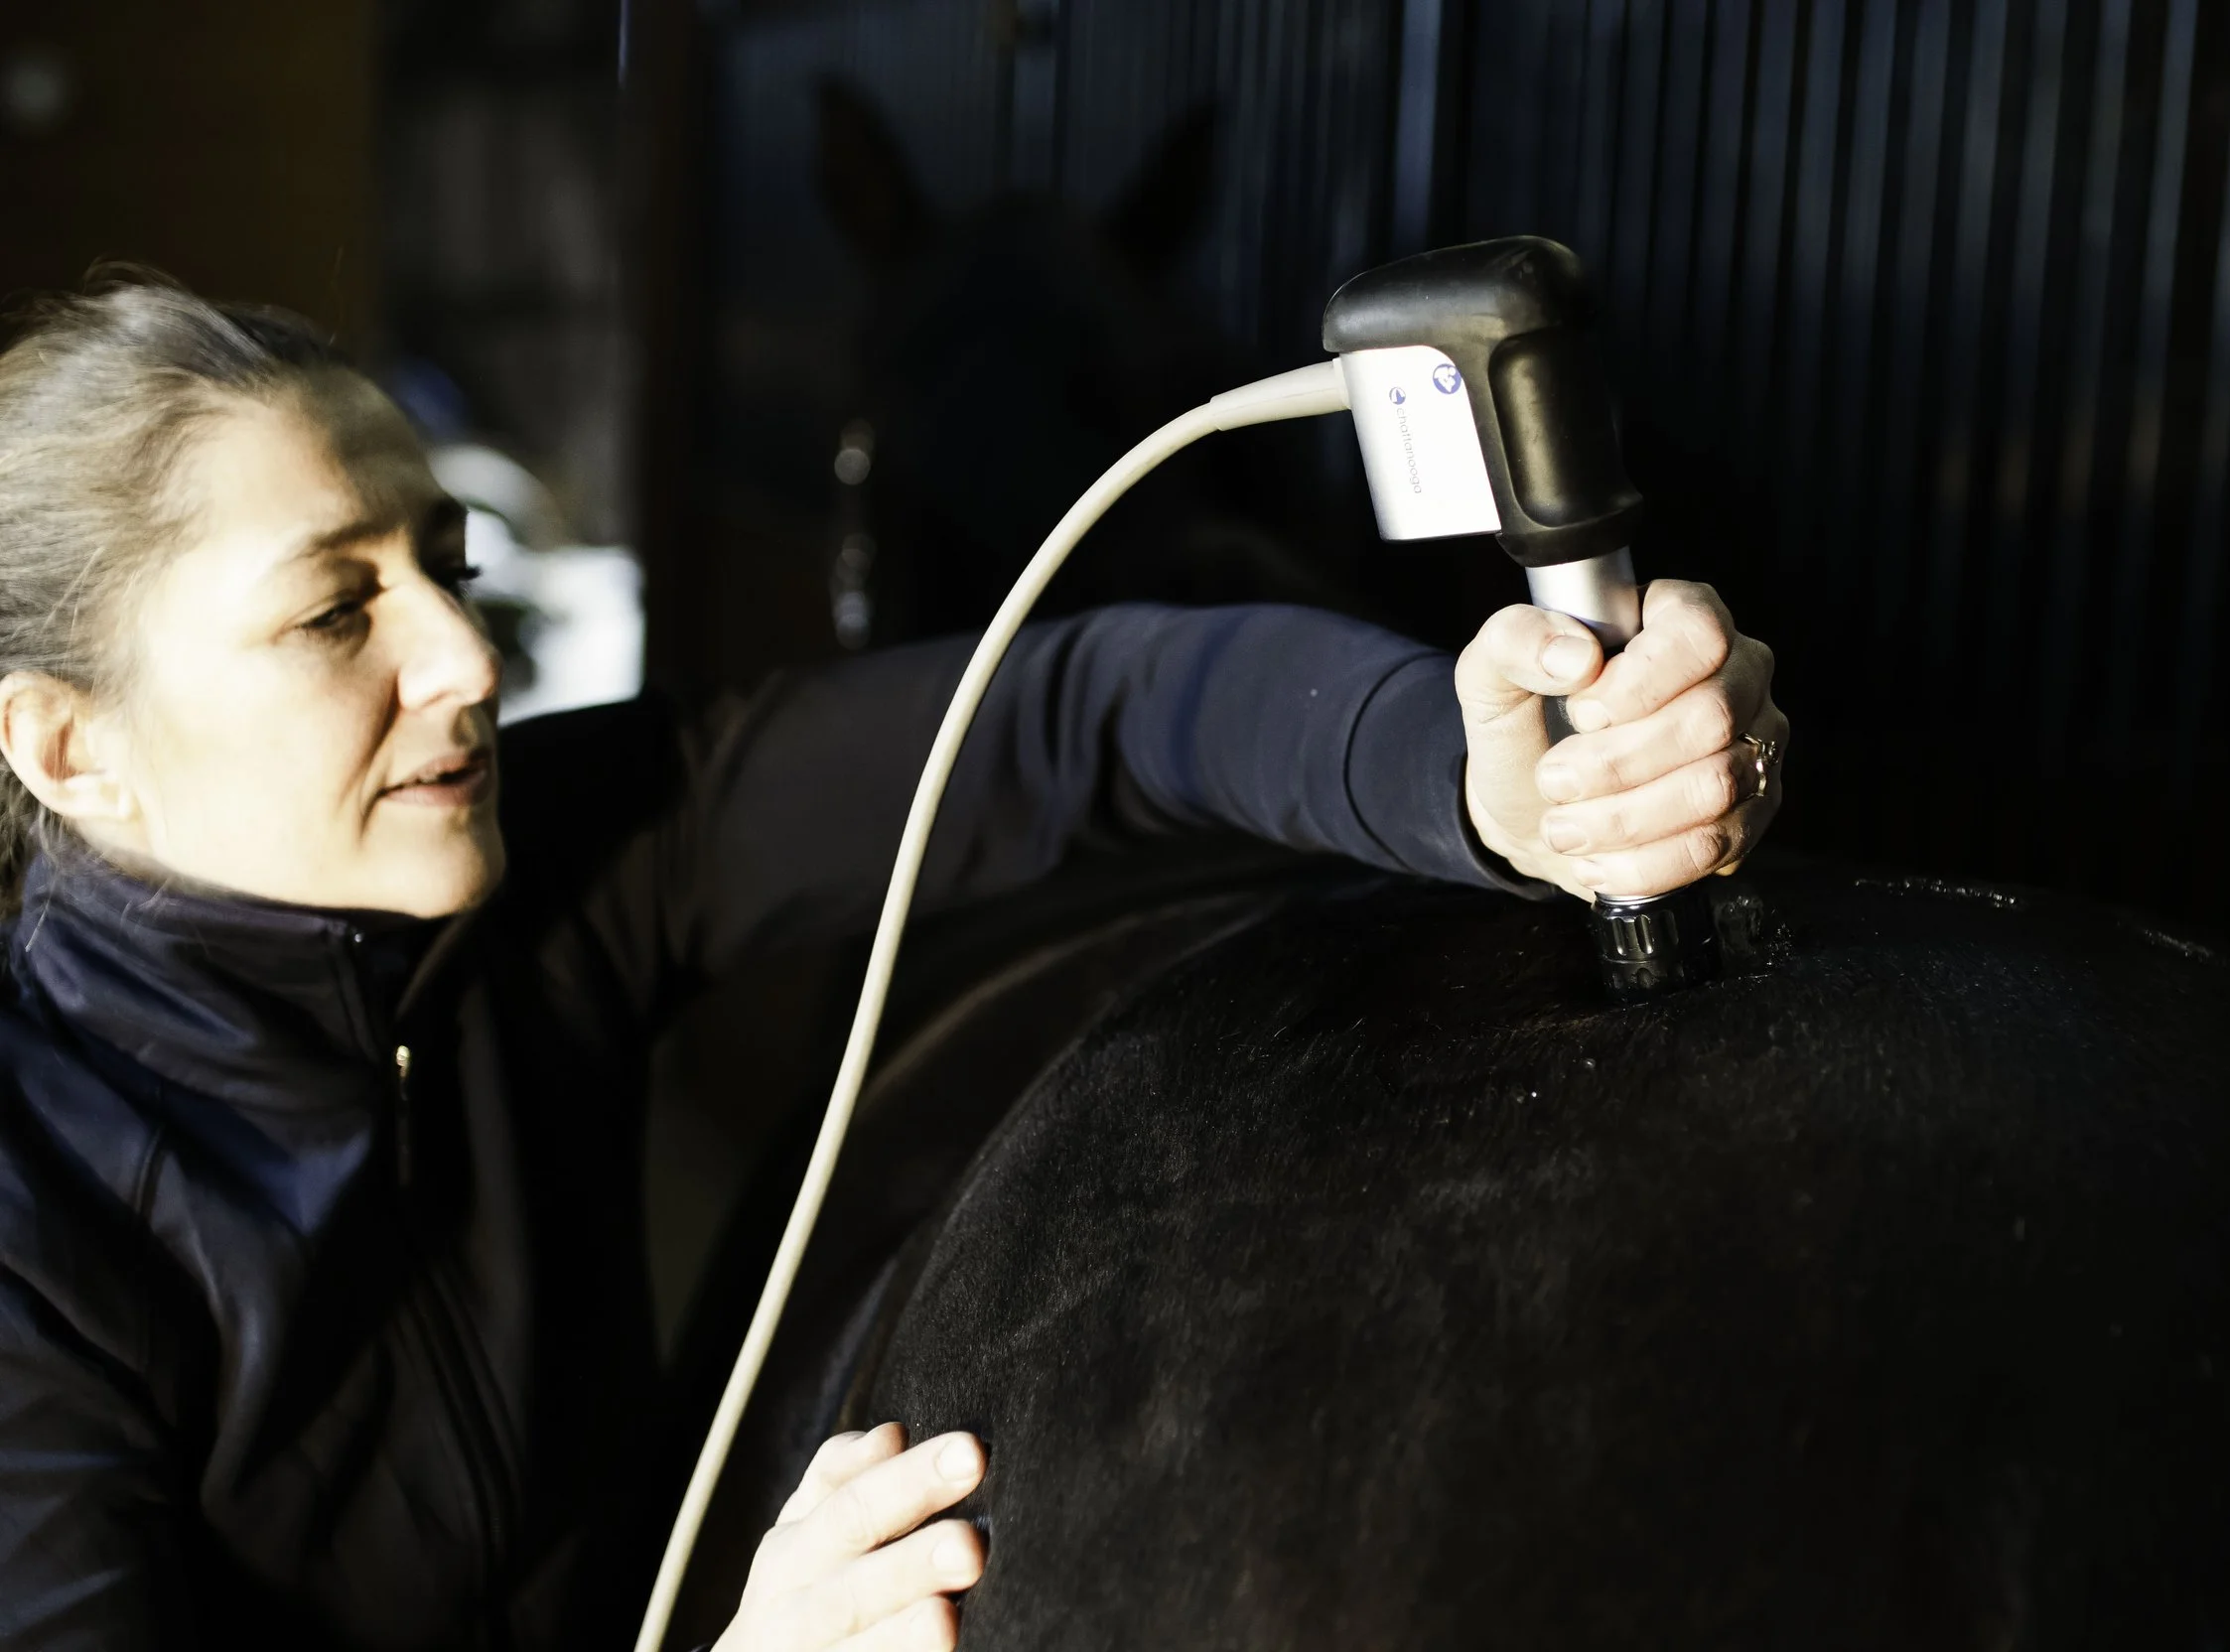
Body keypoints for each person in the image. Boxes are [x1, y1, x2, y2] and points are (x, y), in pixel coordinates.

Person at [0, 276, 1786, 1651]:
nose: (467, 658)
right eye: (336, 608)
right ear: (67, 746)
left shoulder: (550, 857)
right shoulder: (30, 1229)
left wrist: (1483, 777)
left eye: (446, 569)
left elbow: (1075, 714)